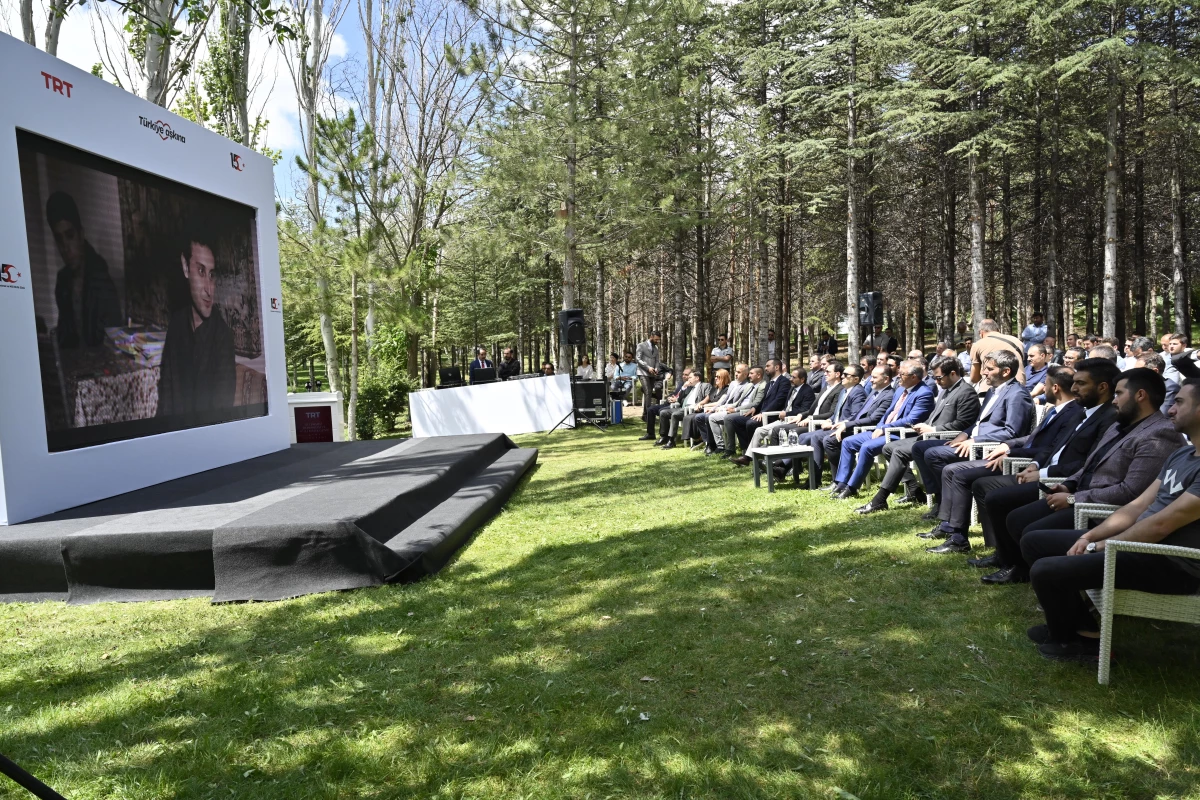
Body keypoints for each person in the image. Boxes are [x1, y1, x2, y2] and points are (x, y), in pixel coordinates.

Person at [1019, 379, 1200, 663]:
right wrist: (1090, 537)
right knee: (1035, 542)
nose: (1171, 409)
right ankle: (1077, 628)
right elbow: (1137, 506)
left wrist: (1102, 545)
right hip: (1141, 546)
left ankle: (1082, 645)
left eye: (1179, 402)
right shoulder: (1183, 454)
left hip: (1175, 563)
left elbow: (1162, 525)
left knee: (1046, 570)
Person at [979, 368, 1181, 585]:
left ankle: (1050, 577)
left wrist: (1074, 499)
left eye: (1119, 394)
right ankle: (1024, 570)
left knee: (1030, 531)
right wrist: (1067, 485)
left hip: (1100, 509)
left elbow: (1130, 492)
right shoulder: (1119, 426)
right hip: (1080, 494)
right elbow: (1089, 465)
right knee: (1015, 518)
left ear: (1140, 395)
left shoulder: (1159, 434)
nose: (1114, 401)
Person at [927, 362, 1110, 555]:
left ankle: (976, 542)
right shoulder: (1067, 411)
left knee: (966, 477)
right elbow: (1045, 445)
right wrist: (1016, 452)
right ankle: (969, 536)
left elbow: (1052, 448)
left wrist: (1020, 457)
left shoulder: (1076, 412)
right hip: (1028, 462)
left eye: (1045, 384)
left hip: (1051, 476)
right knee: (955, 471)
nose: (1041, 389)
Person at [910, 350, 1033, 523]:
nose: (983, 372)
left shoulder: (1017, 395)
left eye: (989, 369)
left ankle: (947, 510)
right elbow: (979, 422)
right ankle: (945, 503)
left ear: (1005, 372)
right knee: (922, 447)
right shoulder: (993, 391)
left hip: (989, 449)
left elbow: (1013, 432)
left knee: (935, 455)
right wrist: (964, 434)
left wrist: (975, 441)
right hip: (973, 443)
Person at [853, 357, 980, 514]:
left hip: (948, 439)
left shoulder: (966, 392)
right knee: (888, 448)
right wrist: (923, 426)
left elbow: (963, 424)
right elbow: (933, 417)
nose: (936, 381)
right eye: (935, 377)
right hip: (931, 436)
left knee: (900, 451)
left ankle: (881, 499)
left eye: (939, 377)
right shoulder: (945, 391)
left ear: (953, 373)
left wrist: (933, 430)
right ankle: (914, 490)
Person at [828, 361, 932, 499]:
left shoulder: (924, 393)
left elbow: (911, 420)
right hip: (884, 431)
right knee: (848, 442)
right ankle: (841, 483)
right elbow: (887, 413)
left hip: (902, 435)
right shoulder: (901, 390)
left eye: (902, 374)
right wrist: (880, 426)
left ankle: (852, 488)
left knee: (867, 447)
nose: (898, 377)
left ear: (914, 377)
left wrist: (884, 428)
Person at [45, 191, 121, 349]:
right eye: (59, 239)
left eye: (70, 235)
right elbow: (65, 334)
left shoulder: (101, 280)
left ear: (81, 235)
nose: (65, 248)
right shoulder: (63, 281)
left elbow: (112, 342)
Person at [741, 367, 816, 459]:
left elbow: (805, 409)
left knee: (774, 431)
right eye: (791, 376)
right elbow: (787, 406)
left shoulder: (807, 391)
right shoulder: (792, 389)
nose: (790, 379)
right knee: (759, 430)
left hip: (794, 420)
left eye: (794, 377)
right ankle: (749, 457)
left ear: (802, 379)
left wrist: (787, 414)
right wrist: (784, 412)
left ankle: (773, 460)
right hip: (783, 419)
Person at [726, 359, 791, 461]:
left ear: (777, 367)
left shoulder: (784, 382)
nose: (765, 368)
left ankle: (750, 456)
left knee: (750, 423)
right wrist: (754, 408)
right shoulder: (769, 383)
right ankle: (748, 449)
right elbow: (764, 400)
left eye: (768, 366)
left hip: (773, 416)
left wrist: (763, 413)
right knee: (736, 420)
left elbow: (779, 401)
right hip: (762, 413)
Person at [657, 370, 712, 448]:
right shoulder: (689, 387)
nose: (688, 379)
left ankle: (671, 440)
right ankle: (664, 436)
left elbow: (708, 397)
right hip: (683, 408)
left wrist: (699, 404)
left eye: (690, 377)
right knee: (663, 412)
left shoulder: (705, 385)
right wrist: (684, 387)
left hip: (693, 409)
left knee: (675, 415)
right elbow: (680, 399)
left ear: (697, 378)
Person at [642, 367, 693, 441]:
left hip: (676, 405)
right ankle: (650, 434)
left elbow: (687, 398)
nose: (683, 376)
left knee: (662, 411)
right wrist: (669, 397)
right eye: (683, 374)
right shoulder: (681, 383)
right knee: (650, 409)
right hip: (668, 403)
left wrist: (676, 399)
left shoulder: (691, 386)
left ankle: (664, 435)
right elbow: (675, 393)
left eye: (686, 375)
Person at [681, 368, 730, 444]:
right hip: (707, 409)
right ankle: (704, 440)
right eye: (715, 376)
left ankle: (708, 441)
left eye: (718, 377)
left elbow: (719, 403)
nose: (716, 378)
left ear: (724, 377)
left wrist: (705, 406)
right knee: (691, 417)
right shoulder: (714, 389)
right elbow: (706, 399)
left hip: (717, 410)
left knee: (696, 417)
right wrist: (699, 404)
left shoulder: (727, 389)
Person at [636, 331, 665, 412]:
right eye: (656, 339)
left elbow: (657, 361)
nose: (657, 341)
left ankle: (647, 413)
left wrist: (656, 368)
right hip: (642, 372)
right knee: (648, 392)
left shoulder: (656, 348)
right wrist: (648, 368)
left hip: (652, 374)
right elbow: (638, 359)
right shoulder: (641, 345)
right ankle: (647, 414)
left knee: (648, 393)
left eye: (658, 340)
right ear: (651, 337)